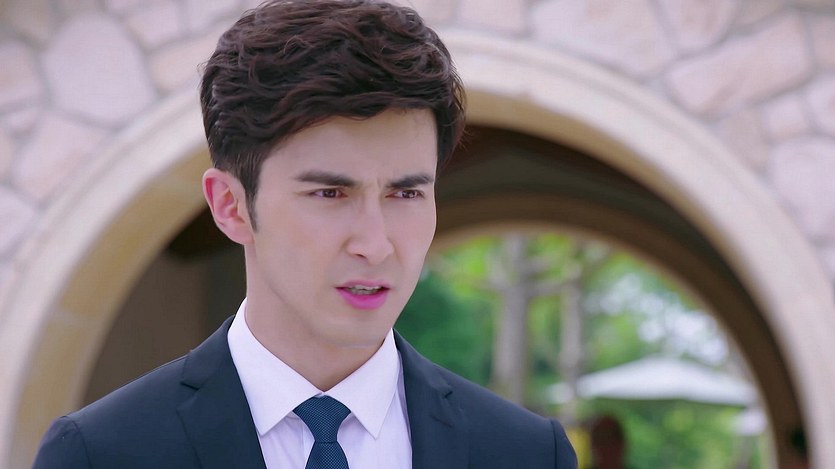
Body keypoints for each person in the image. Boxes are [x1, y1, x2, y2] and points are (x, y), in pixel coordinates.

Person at [33, 1, 577, 467]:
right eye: (330, 194)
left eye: (406, 194)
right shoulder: (102, 453)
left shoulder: (526, 454)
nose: (375, 244)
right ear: (231, 206)